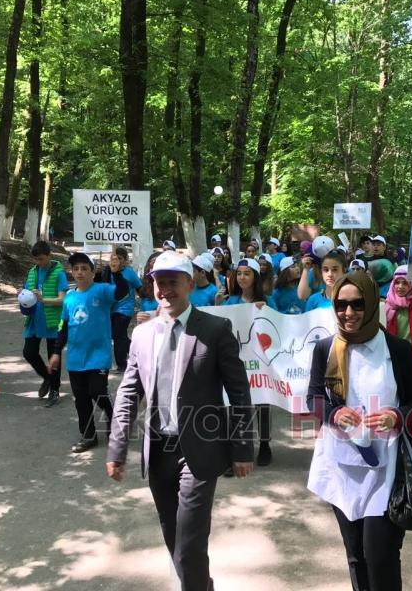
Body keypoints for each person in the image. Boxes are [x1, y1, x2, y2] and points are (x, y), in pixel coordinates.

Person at [106, 251, 255, 591]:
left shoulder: (216, 329)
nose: (165, 289)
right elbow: (129, 394)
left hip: (200, 452)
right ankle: (201, 585)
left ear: (189, 283)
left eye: (173, 282)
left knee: (189, 542)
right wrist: (116, 450)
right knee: (174, 537)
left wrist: (242, 448)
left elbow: (239, 392)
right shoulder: (142, 336)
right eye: (159, 282)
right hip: (159, 451)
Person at [306, 271, 412, 591]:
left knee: (381, 553)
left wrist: (395, 417)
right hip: (343, 466)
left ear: (373, 303)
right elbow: (314, 398)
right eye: (342, 305)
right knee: (356, 554)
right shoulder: (326, 349)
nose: (349, 313)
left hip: (388, 470)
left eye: (358, 304)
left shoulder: (397, 350)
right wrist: (333, 413)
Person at [48, 252, 129, 452]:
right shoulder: (69, 297)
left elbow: (121, 292)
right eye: (76, 269)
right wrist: (57, 351)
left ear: (93, 272)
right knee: (81, 398)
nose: (80, 272)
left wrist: (116, 273)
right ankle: (88, 435)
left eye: (84, 268)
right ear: (71, 273)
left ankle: (114, 422)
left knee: (97, 391)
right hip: (76, 358)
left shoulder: (102, 290)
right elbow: (64, 326)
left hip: (98, 355)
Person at [217, 257, 276, 467]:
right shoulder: (231, 301)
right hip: (236, 362)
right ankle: (237, 447)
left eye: (247, 273)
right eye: (239, 273)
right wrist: (217, 306)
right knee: (236, 404)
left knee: (262, 403)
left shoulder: (267, 299)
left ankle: (265, 444)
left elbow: (279, 324)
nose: (242, 277)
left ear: (255, 277)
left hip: (261, 362)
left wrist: (266, 310)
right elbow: (219, 324)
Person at [21, 241, 70, 406]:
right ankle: (47, 378)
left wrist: (43, 299)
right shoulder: (32, 272)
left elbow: (63, 300)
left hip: (53, 321)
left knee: (53, 357)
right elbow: (26, 293)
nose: (39, 263)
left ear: (49, 255)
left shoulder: (59, 273)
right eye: (36, 260)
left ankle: (55, 390)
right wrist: (23, 298)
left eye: (41, 259)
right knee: (29, 352)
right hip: (34, 319)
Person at [102, 247, 144, 373]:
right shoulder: (107, 271)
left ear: (125, 260)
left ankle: (122, 365)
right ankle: (138, 351)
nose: (117, 261)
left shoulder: (129, 273)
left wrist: (147, 301)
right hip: (111, 309)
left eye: (120, 259)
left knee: (118, 335)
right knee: (118, 336)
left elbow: (140, 288)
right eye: (114, 258)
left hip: (125, 308)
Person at [137, 251, 163, 319]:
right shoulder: (145, 287)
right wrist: (140, 317)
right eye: (154, 262)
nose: (156, 265)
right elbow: (144, 312)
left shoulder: (175, 289)